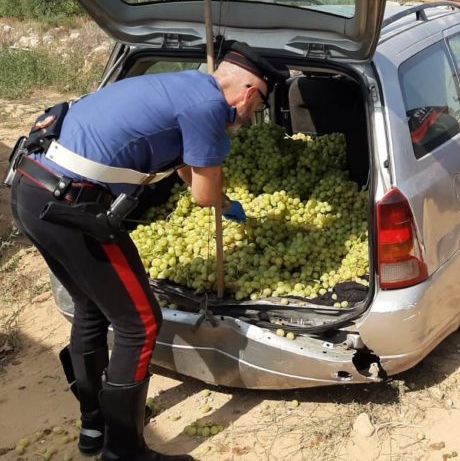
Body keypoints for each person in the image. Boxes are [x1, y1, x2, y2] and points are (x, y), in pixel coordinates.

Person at [8, 42, 281, 460]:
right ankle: (125, 451)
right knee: (140, 323)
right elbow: (205, 193)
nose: (251, 115)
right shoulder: (210, 110)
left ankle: (94, 426)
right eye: (257, 106)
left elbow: (185, 165)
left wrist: (224, 204)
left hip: (32, 191)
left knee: (89, 305)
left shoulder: (185, 86)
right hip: (72, 208)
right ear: (249, 94)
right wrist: (220, 199)